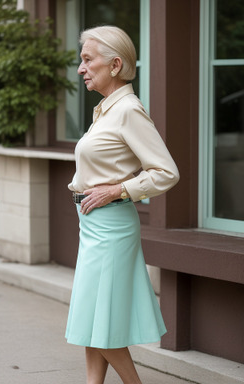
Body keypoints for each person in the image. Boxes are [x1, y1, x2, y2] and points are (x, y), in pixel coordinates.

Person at [65, 25, 179, 384]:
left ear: (115, 65)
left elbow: (166, 172)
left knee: (99, 324)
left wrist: (117, 190)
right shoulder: (105, 110)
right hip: (94, 224)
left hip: (111, 226)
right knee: (92, 321)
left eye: (88, 59)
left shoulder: (128, 110)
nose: (81, 68)